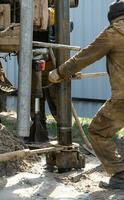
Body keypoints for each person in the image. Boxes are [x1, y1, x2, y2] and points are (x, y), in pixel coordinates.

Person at [49, 0, 124, 189]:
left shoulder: (113, 34)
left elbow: (85, 56)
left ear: (113, 18)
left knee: (97, 132)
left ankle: (120, 174)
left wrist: (59, 73)